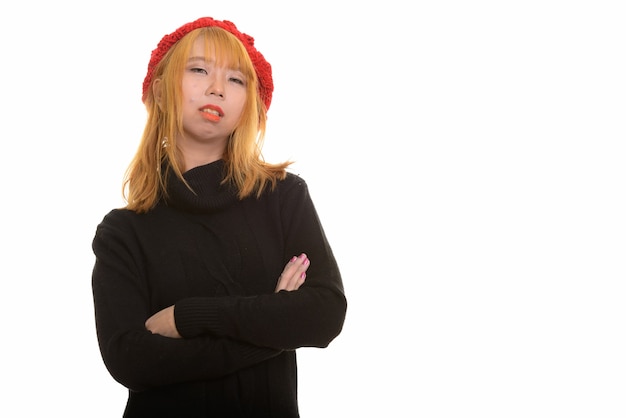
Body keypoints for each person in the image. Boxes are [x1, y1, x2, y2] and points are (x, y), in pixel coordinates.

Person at [91, 16, 347, 417]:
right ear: (160, 89)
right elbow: (131, 360)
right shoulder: (123, 231)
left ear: (250, 103)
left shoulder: (282, 196)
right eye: (198, 70)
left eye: (236, 79)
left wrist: (186, 317)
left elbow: (324, 314)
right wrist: (273, 322)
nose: (216, 88)